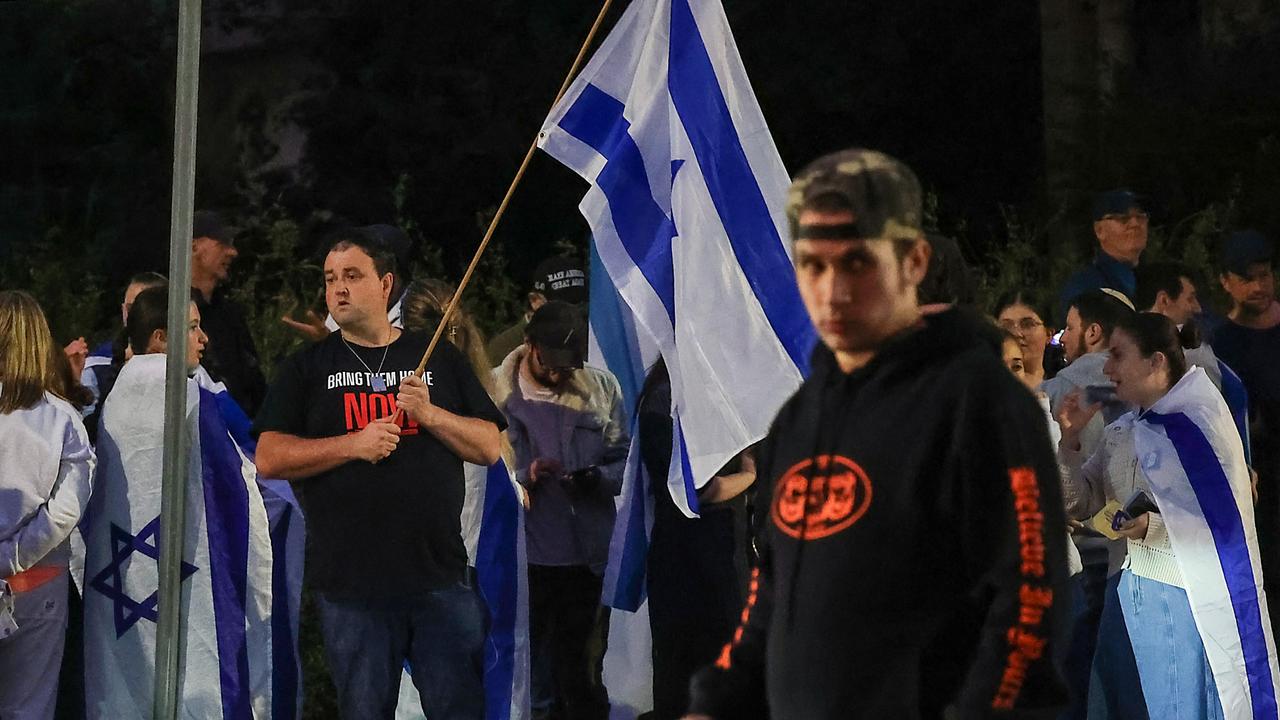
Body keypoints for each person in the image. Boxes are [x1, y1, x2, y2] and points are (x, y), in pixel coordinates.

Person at [685, 149, 1069, 719]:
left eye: (858, 263)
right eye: (814, 265)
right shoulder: (799, 416)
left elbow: (1030, 601)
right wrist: (717, 700)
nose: (833, 290)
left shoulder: (980, 402)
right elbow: (774, 589)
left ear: (912, 263)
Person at [254, 229, 505, 720]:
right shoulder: (308, 368)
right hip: (352, 587)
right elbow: (269, 455)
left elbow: (490, 446)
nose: (338, 289)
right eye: (330, 280)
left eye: (352, 276)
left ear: (386, 285)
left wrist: (432, 416)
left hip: (438, 578)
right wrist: (353, 444)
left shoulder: (434, 357)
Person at [1057, 312, 1274, 718]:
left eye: (1119, 356)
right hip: (1125, 588)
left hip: (1178, 595)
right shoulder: (1123, 431)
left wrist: (1151, 526)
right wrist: (1069, 440)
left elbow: (1221, 522)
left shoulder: (1200, 423)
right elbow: (1079, 503)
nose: (1107, 368)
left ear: (1157, 361)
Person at [494, 300, 627, 720]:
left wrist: (596, 478)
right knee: (532, 673)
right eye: (549, 363)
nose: (556, 374)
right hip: (524, 557)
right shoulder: (496, 391)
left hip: (586, 555)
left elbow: (625, 459)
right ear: (529, 344)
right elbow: (480, 473)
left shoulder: (602, 387)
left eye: (566, 367)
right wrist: (524, 474)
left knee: (581, 671)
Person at [640, 359, 757, 720]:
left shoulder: (657, 397)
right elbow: (701, 490)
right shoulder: (675, 405)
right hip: (704, 552)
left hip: (673, 550)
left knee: (676, 663)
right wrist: (751, 474)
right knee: (713, 656)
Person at [0, 290, 97, 720]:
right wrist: (14, 556)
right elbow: (66, 510)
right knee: (30, 708)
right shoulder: (63, 418)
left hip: (32, 578)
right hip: (37, 580)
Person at [1210, 229, 1280, 634]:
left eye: (1265, 275)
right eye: (1248, 278)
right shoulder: (1223, 343)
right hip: (1261, 486)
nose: (1259, 286)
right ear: (1226, 282)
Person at [190, 210, 267, 416]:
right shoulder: (166, 310)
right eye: (222, 242)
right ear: (194, 245)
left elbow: (254, 383)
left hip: (242, 439)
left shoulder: (230, 314)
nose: (233, 252)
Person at [282, 224, 416, 341]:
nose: (341, 289)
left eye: (352, 277)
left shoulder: (420, 311)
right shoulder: (347, 308)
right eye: (331, 279)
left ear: (389, 280)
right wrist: (325, 344)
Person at [80, 271, 168, 431]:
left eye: (141, 309)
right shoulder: (96, 366)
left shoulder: (189, 370)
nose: (132, 316)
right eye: (129, 308)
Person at [1057, 190, 1149, 323]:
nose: (1135, 224)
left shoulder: (1156, 278)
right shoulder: (1085, 287)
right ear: (1099, 230)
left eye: (1141, 217)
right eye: (1123, 219)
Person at [1134, 261, 1227, 389]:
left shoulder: (1195, 354)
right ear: (1164, 301)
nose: (1198, 308)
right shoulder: (1120, 343)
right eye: (1190, 299)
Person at [487, 255, 587, 367]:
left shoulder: (592, 343)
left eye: (578, 306)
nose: (571, 314)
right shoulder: (503, 349)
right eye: (559, 308)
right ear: (535, 301)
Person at [994, 292, 1059, 387]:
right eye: (1007, 326)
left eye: (1028, 325)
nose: (1016, 333)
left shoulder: (1063, 391)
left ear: (1049, 334)